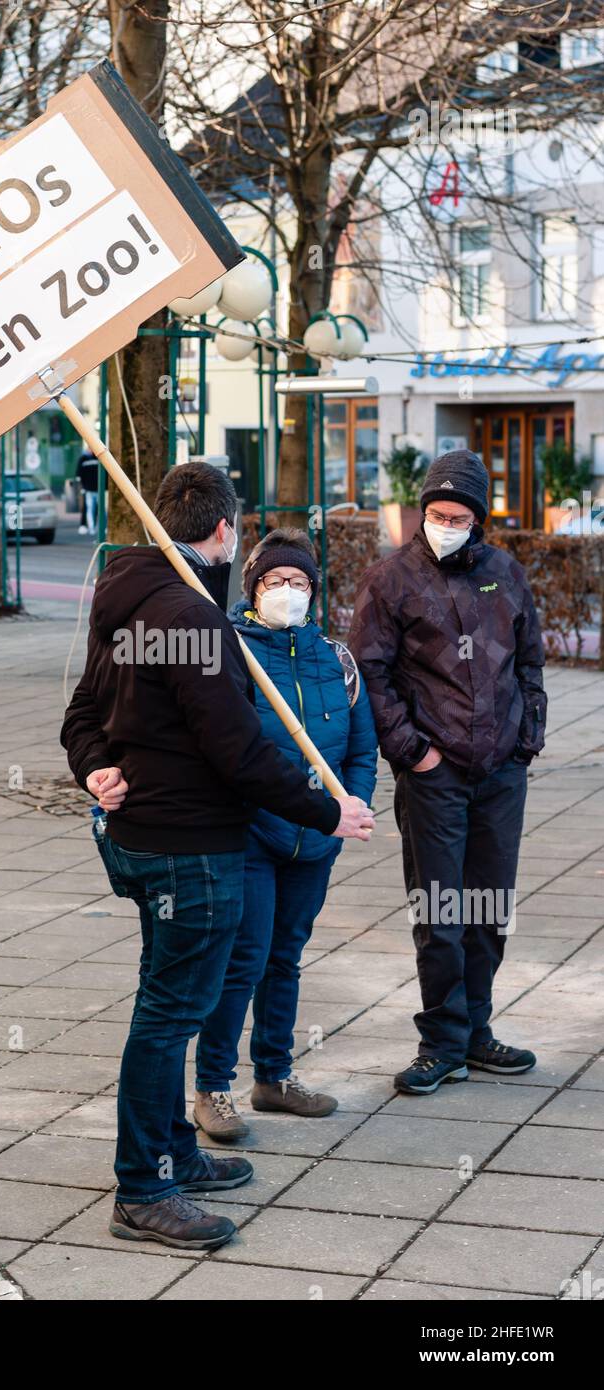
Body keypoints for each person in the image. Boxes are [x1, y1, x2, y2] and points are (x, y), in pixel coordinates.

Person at [61, 462, 375, 1251]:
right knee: (168, 1019)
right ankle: (143, 1187)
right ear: (226, 532)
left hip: (141, 838)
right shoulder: (194, 618)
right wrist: (325, 809)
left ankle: (173, 1151)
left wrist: (94, 761)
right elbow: (236, 753)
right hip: (189, 848)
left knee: (171, 1003)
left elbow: (83, 712)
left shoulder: (125, 599)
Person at [349, 449, 546, 1096]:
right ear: (422, 510)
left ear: (478, 520)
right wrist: (413, 752)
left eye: (460, 515)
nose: (446, 523)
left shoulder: (505, 574)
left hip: (500, 773)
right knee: (440, 911)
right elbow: (370, 674)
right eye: (437, 513)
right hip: (433, 776)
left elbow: (530, 662)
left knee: (488, 908)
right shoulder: (390, 581)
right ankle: (441, 1042)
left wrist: (525, 741)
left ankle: (476, 1032)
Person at [194, 529, 378, 1140]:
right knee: (242, 959)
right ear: (253, 589)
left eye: (299, 583)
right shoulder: (234, 651)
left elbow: (361, 746)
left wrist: (353, 805)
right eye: (275, 582)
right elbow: (229, 748)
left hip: (318, 840)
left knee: (285, 958)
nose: (288, 592)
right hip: (256, 832)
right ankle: (213, 1087)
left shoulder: (337, 658)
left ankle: (273, 1076)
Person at [75, 449, 99, 534]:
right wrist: (82, 488)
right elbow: (78, 474)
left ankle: (95, 526)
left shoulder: (98, 458)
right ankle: (89, 527)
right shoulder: (83, 459)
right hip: (88, 490)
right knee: (89, 508)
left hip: (98, 490)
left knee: (97, 509)